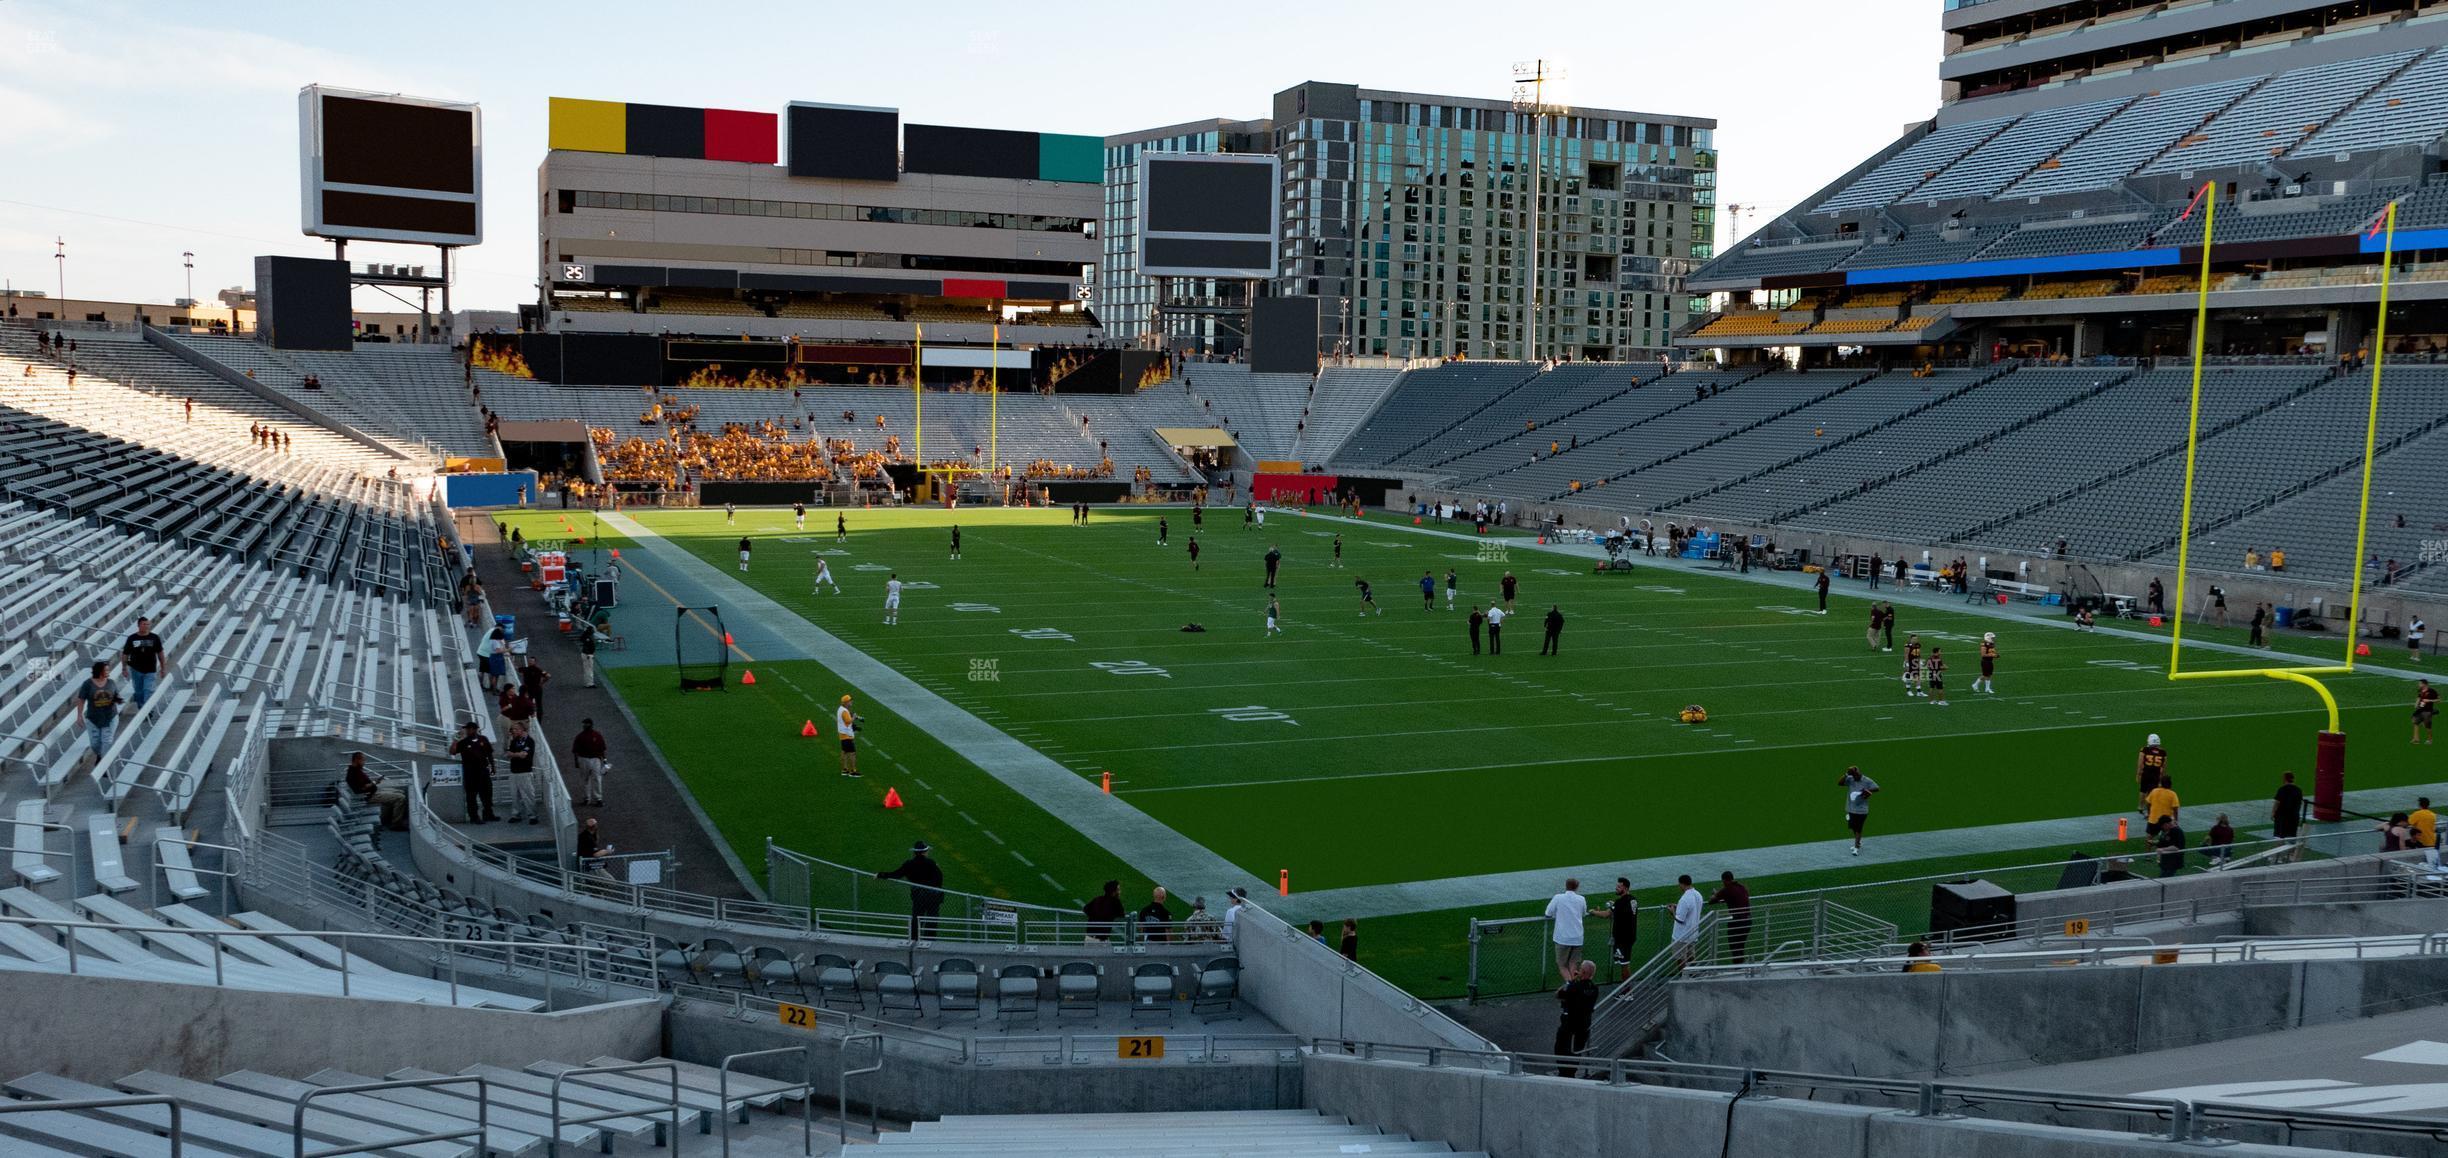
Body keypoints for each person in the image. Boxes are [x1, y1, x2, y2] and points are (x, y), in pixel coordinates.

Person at [66, 661, 123, 780]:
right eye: (106, 670)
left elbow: (116, 695)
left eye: (108, 670)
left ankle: (103, 768)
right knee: (95, 743)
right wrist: (79, 715)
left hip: (110, 717)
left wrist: (118, 700)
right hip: (93, 718)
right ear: (99, 671)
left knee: (106, 741)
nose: (108, 672)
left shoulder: (111, 683)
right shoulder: (88, 684)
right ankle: (99, 756)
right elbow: (81, 700)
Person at [876, 841, 945, 940]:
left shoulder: (909, 864)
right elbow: (939, 878)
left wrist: (881, 875)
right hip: (933, 896)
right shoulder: (931, 863)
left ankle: (914, 939)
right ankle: (929, 940)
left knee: (916, 917)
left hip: (918, 895)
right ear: (924, 852)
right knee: (932, 918)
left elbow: (897, 874)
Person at [1553, 960, 1599, 1077]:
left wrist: (1572, 980)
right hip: (1584, 1023)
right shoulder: (1594, 989)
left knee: (1561, 1047)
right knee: (1577, 1049)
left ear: (1582, 972)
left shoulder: (1574, 987)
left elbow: (1558, 994)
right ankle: (1572, 1071)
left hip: (1569, 1022)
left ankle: (1564, 1072)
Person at [447, 720, 498, 824]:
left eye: (468, 729)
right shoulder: (464, 742)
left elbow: (489, 754)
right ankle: (474, 816)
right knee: (472, 795)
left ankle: (488, 813)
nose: (466, 731)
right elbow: (452, 752)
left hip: (483, 770)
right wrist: (455, 741)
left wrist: (493, 766)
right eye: (466, 729)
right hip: (470, 772)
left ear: (474, 729)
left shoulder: (483, 739)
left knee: (487, 793)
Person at [345, 752, 407, 830]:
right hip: (369, 796)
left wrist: (374, 783)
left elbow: (363, 785)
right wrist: (374, 783)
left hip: (373, 792)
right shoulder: (353, 773)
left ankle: (386, 819)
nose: (364, 762)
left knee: (400, 792)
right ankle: (396, 824)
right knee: (400, 798)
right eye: (363, 760)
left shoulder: (355, 770)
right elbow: (362, 788)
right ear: (357, 760)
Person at [1544, 878, 1590, 980]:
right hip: (1577, 937)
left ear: (1566, 886)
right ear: (1577, 887)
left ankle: (1571, 986)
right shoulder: (1581, 899)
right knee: (1573, 963)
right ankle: (1573, 985)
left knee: (1562, 965)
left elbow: (1547, 913)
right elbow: (1583, 913)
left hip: (1562, 937)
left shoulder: (1558, 898)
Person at [120, 616, 168, 708]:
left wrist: (163, 668)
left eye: (148, 624)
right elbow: (125, 654)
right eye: (144, 624)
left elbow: (160, 653)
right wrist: (124, 668)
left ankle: (148, 710)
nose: (146, 626)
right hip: (136, 669)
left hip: (150, 669)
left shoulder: (154, 637)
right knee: (139, 691)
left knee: (148, 690)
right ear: (138, 625)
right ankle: (141, 708)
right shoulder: (132, 638)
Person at [1709, 871, 1754, 965]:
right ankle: (1740, 966)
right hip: (1748, 920)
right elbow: (1736, 897)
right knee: (1740, 946)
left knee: (1734, 946)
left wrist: (1716, 894)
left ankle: (1738, 967)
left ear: (1724, 880)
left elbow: (1711, 901)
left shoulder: (1727, 889)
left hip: (1738, 921)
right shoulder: (1742, 887)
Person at [1598, 878, 1639, 982]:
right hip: (1630, 936)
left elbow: (1606, 915)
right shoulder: (1633, 899)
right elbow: (1624, 912)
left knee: (1624, 965)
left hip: (1622, 938)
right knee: (1625, 964)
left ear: (1625, 888)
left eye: (1618, 887)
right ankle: (1626, 991)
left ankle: (1627, 993)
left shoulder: (1620, 902)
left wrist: (1593, 911)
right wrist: (1614, 906)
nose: (1616, 888)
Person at [503, 721, 541, 825]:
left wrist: (514, 754)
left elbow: (524, 755)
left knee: (528, 795)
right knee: (514, 795)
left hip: (525, 772)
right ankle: (516, 814)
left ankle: (533, 815)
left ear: (522, 730)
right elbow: (507, 754)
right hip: (514, 771)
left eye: (515, 729)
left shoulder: (529, 741)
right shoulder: (514, 741)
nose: (513, 731)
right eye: (512, 729)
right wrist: (517, 754)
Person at [1840, 765, 1879, 854]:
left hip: (1862, 810)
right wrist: (1846, 774)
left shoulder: (1867, 780)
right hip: (1851, 808)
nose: (1854, 777)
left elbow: (1877, 788)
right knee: (1853, 827)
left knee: (1858, 828)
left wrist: (1866, 790)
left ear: (1859, 773)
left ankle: (1856, 848)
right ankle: (1858, 842)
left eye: (1855, 775)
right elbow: (1840, 783)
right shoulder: (1850, 778)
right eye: (1853, 775)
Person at [571, 717, 609, 805]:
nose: (584, 726)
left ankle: (598, 799)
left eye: (585, 724)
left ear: (590, 725)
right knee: (586, 779)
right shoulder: (580, 736)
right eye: (584, 724)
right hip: (584, 759)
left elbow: (602, 749)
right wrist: (576, 761)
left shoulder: (597, 735)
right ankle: (587, 798)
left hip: (595, 759)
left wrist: (605, 761)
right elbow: (575, 751)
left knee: (596, 779)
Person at [1669, 875, 1704, 963]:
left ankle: (1684, 977)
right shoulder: (1698, 894)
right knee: (1691, 956)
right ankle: (1693, 975)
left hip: (1681, 935)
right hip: (1693, 933)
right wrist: (1678, 907)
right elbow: (1692, 909)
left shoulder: (1684, 899)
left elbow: (1680, 919)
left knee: (1680, 959)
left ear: (1682, 884)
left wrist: (1672, 911)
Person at [2272, 771, 2306, 861]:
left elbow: (2277, 803)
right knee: (2292, 836)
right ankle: (2291, 855)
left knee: (2279, 836)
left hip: (2282, 816)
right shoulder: (2298, 789)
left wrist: (2272, 813)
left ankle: (2278, 856)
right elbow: (2300, 803)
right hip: (2294, 817)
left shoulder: (2282, 789)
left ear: (2284, 778)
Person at [2137, 733, 2169, 816]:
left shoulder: (2144, 750)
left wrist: (2138, 774)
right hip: (2156, 774)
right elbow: (2164, 767)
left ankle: (2141, 807)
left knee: (2143, 790)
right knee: (2152, 792)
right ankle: (2150, 810)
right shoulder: (2163, 752)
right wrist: (2161, 777)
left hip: (2146, 773)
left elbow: (2140, 763)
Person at [835, 695, 863, 777]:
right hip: (846, 735)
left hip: (843, 734)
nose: (851, 702)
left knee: (844, 752)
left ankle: (845, 770)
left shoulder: (841, 709)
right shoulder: (844, 711)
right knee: (852, 753)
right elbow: (848, 721)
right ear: (846, 702)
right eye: (850, 701)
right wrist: (854, 717)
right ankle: (853, 771)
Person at [519, 655, 551, 724]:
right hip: (533, 688)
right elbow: (548, 676)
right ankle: (530, 717)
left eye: (531, 661)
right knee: (532, 704)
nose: (530, 662)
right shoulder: (527, 669)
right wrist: (542, 683)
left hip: (534, 689)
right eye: (529, 661)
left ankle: (535, 719)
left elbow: (548, 675)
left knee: (536, 704)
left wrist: (542, 683)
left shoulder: (537, 670)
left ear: (535, 662)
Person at [2416, 680, 2438, 745]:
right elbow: (2419, 697)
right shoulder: (2420, 690)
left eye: (2420, 684)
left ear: (2424, 684)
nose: (2419, 685)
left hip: (2428, 711)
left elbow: (2438, 700)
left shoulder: (2432, 691)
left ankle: (2430, 740)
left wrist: (2429, 700)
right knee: (2422, 724)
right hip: (2421, 710)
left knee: (2427, 726)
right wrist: (2417, 704)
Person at [577, 625, 599, 689]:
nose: (593, 631)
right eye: (592, 630)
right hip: (587, 655)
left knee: (587, 668)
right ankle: (590, 683)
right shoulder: (588, 637)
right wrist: (589, 654)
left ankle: (587, 682)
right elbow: (586, 646)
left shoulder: (587, 636)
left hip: (587, 654)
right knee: (589, 669)